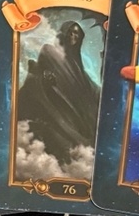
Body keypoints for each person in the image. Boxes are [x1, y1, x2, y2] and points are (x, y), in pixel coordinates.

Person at [17, 19, 101, 168]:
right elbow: (39, 72)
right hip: (53, 105)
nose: (73, 36)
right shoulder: (49, 51)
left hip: (76, 112)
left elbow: (87, 85)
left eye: (77, 33)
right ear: (63, 33)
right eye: (70, 32)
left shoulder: (76, 64)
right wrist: (45, 78)